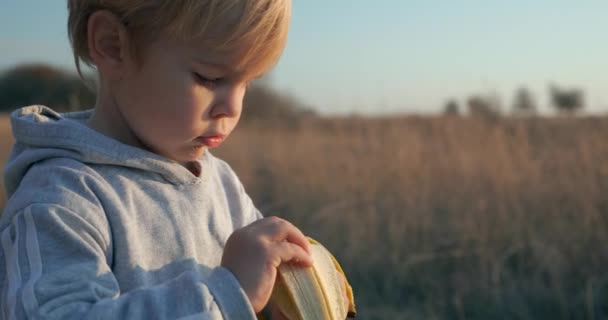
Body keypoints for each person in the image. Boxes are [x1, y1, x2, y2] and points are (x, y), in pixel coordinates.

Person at [0, 1, 315, 318]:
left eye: (247, 82)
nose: (233, 108)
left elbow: (249, 295)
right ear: (111, 46)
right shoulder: (61, 198)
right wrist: (227, 294)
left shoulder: (222, 183)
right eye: (209, 77)